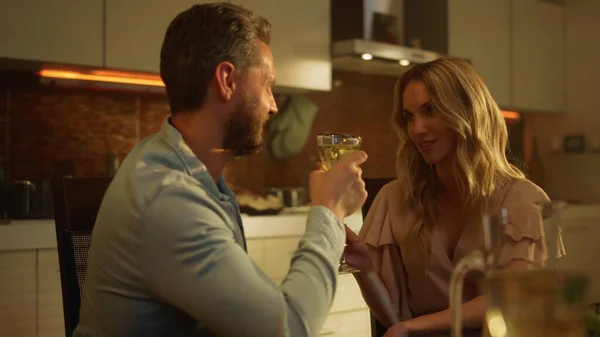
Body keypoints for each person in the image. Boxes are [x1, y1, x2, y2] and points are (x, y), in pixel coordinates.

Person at [73, 3, 368, 337]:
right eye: (268, 84)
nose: (273, 106)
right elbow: (290, 329)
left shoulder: (171, 162)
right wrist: (328, 210)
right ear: (227, 80)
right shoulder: (169, 199)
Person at [343, 58, 561, 337]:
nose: (417, 129)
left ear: (468, 113)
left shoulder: (522, 198)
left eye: (430, 110)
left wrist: (413, 326)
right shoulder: (394, 197)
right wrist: (364, 269)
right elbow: (392, 318)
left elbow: (512, 298)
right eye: (409, 116)